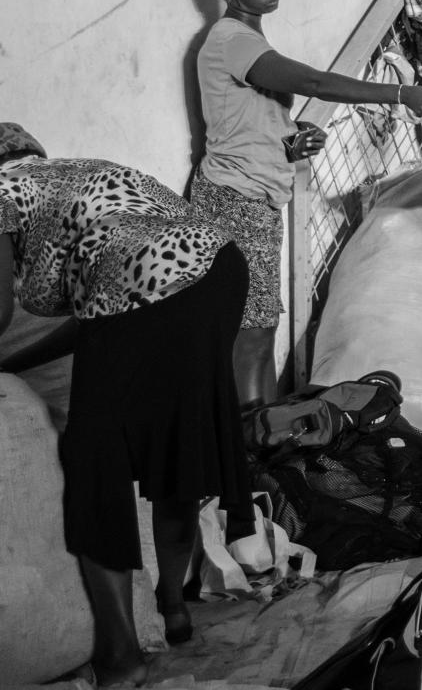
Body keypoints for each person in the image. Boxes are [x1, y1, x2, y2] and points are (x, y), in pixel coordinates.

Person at [0, 125, 250, 681]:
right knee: (177, 446)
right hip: (219, 268)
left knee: (95, 463)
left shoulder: (1, 189)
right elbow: (102, 318)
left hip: (147, 281)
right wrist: (15, 364)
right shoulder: (76, 175)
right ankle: (174, 608)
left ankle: (120, 656)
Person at [190, 0, 422, 406]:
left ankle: (263, 433)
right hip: (235, 199)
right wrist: (399, 93)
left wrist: (289, 140)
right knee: (253, 332)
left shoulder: (244, 38)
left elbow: (244, 117)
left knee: (258, 327)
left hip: (254, 193)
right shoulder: (230, 38)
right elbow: (314, 80)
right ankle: (256, 442)